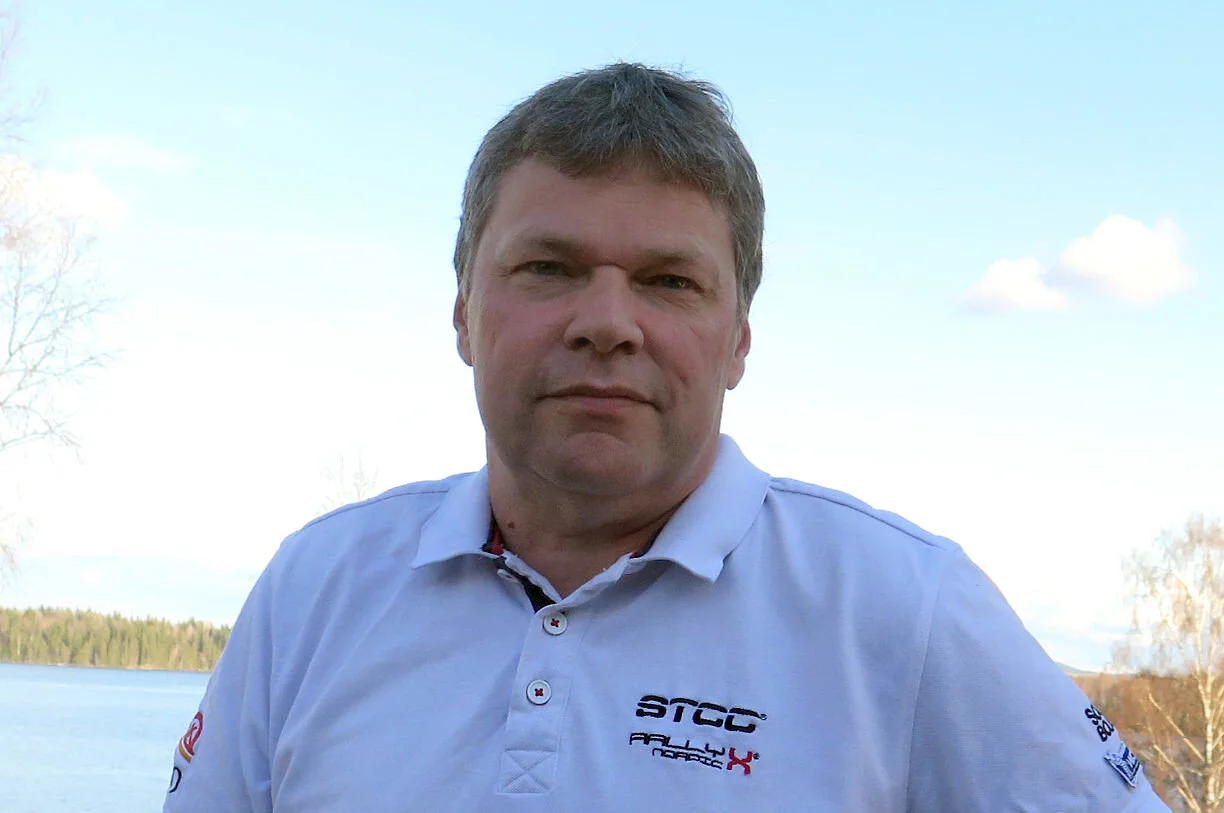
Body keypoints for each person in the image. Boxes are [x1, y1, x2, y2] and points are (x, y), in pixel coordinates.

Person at [163, 63, 1169, 812]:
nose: (608, 322)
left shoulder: (908, 610)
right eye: (549, 267)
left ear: (738, 340)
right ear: (464, 310)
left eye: (669, 281)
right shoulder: (315, 591)